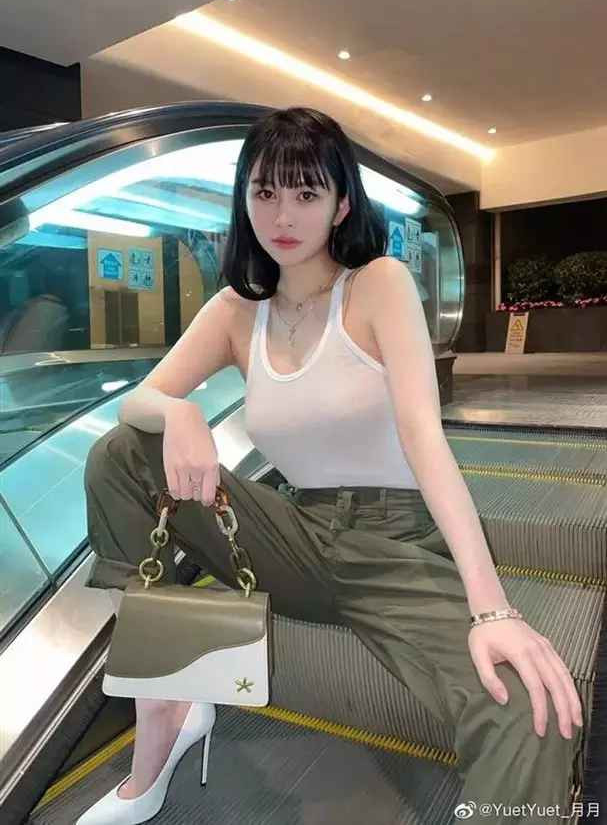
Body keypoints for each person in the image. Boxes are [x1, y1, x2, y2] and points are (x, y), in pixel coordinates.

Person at [78, 107, 584, 824]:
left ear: (341, 204)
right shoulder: (235, 312)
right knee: (122, 453)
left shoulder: (378, 284)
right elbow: (140, 401)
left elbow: (425, 439)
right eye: (265, 192)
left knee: (529, 706)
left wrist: (492, 609)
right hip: (296, 535)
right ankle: (165, 696)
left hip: (396, 544)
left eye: (306, 193)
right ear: (244, 198)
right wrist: (178, 413)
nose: (282, 215)